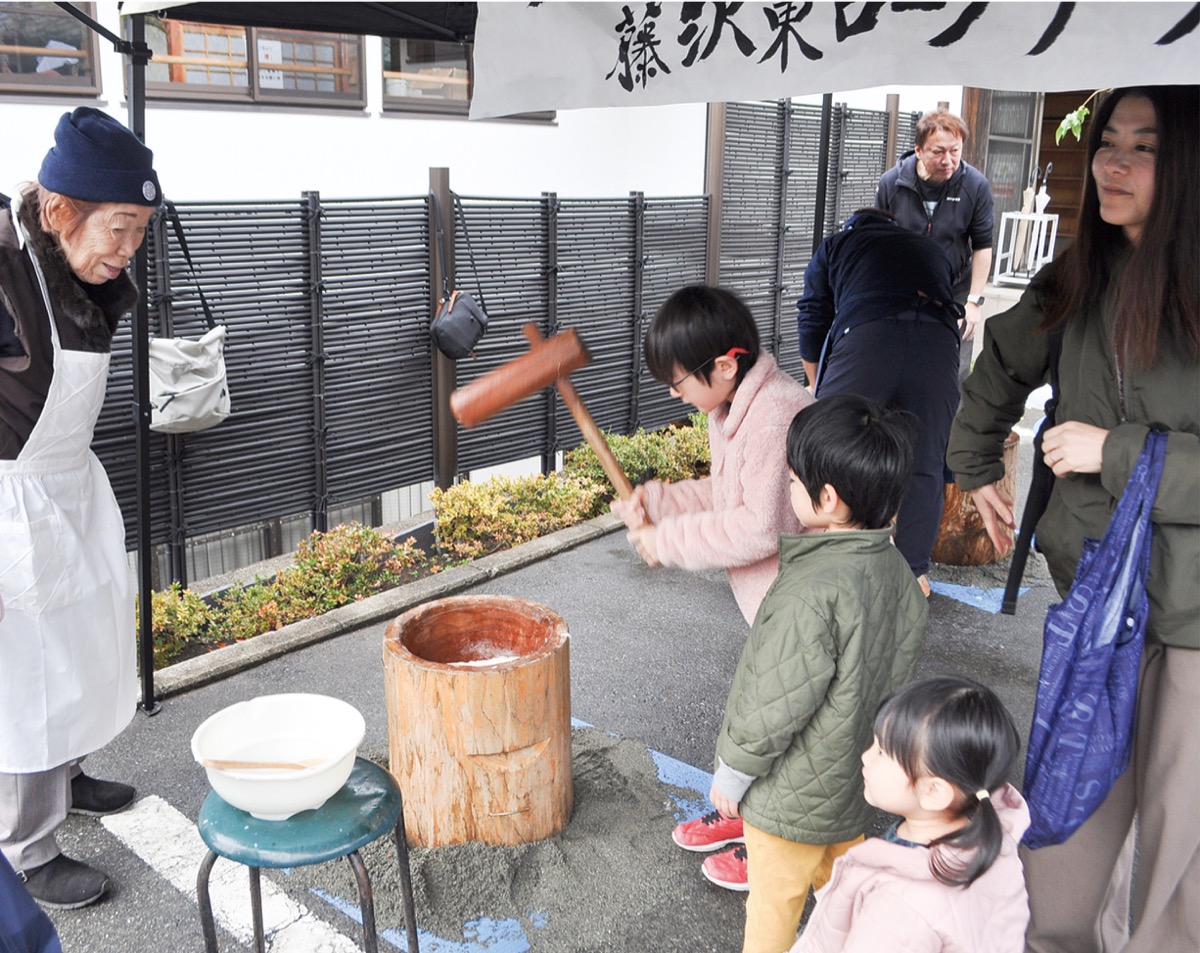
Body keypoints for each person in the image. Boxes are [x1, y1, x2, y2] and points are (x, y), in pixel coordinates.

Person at [947, 86, 1199, 953]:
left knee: (1180, 851)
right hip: (1097, 599)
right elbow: (1002, 362)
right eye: (1106, 142)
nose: (1113, 164)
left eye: (1146, 147)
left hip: (1195, 625)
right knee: (1064, 814)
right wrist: (975, 462)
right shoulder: (1081, 274)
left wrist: (1115, 451)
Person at [1, 107, 162, 909]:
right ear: (60, 210)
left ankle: (68, 775)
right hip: (9, 499)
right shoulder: (4, 262)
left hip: (69, 483)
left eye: (139, 232)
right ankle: (28, 847)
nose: (128, 250)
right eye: (120, 228)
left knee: (83, 637)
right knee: (23, 674)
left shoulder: (78, 268)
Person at [704, 394, 928, 953]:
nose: (789, 485)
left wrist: (733, 772)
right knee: (840, 912)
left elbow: (772, 701)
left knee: (774, 912)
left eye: (794, 479)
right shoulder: (900, 574)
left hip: (788, 804)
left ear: (827, 500)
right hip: (857, 790)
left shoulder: (809, 591)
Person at [612, 284, 813, 889]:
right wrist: (661, 502)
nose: (675, 394)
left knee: (788, 731)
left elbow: (760, 527)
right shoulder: (728, 409)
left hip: (801, 607)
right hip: (772, 607)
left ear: (725, 364)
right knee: (765, 719)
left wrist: (666, 543)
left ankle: (774, 842)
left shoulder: (777, 413)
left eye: (678, 383)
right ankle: (747, 816)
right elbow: (727, 495)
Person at [789, 675, 1030, 953]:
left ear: (933, 792)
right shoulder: (996, 841)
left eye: (881, 752)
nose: (866, 757)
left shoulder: (898, 909)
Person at [796, 207, 962, 594]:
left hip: (867, 338)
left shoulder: (838, 243)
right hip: (938, 344)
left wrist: (817, 384)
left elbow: (812, 314)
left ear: (853, 223)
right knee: (924, 464)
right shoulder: (929, 247)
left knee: (835, 448)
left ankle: (832, 569)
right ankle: (911, 576)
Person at [876, 109, 994, 381]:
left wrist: (973, 301)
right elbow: (879, 244)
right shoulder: (891, 184)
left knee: (953, 369)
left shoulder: (975, 186)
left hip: (955, 290)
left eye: (955, 151)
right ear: (918, 150)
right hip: (904, 289)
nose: (948, 160)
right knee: (899, 364)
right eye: (939, 152)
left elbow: (983, 246)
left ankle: (950, 424)